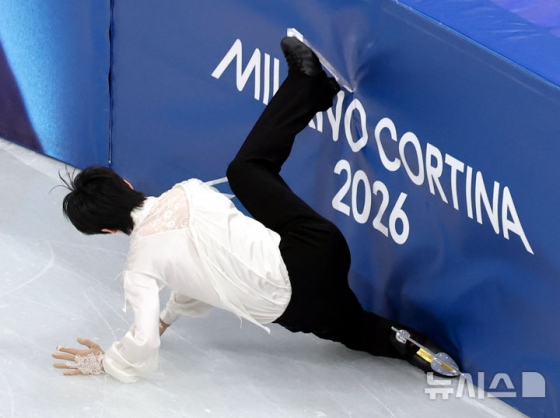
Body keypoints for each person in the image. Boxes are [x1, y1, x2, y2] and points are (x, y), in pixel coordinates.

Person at [52, 37, 460, 382]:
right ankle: (308, 86)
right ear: (126, 184)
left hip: (301, 306)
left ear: (106, 231)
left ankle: (415, 349)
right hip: (317, 247)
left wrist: (106, 362)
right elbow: (197, 268)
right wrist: (166, 316)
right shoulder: (187, 192)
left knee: (352, 328)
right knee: (245, 170)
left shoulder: (140, 267)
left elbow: (147, 338)